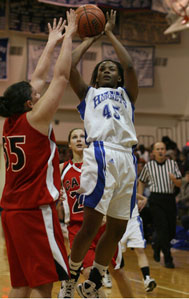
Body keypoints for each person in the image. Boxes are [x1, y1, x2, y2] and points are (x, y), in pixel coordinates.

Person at [0, 11, 77, 298]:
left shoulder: (11, 121)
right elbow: (60, 76)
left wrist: (50, 42)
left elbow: (39, 76)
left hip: (11, 212)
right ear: (30, 103)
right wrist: (68, 37)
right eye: (34, 94)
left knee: (20, 284)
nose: (38, 92)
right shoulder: (37, 119)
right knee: (44, 283)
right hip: (34, 213)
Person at [67, 9, 139, 298]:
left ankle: (94, 279)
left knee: (118, 228)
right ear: (96, 79)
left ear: (119, 78)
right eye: (102, 69)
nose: (108, 69)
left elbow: (131, 67)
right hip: (100, 152)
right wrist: (90, 38)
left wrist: (110, 33)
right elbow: (70, 68)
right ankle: (71, 278)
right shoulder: (89, 94)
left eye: (112, 68)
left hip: (127, 158)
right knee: (91, 224)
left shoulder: (127, 95)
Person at [57, 128, 134, 298]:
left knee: (119, 273)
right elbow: (49, 189)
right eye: (74, 137)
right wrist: (57, 195)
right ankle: (70, 281)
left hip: (104, 226)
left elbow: (117, 189)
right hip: (78, 227)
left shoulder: (102, 166)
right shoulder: (62, 168)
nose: (79, 139)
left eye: (82, 136)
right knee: (90, 274)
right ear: (69, 144)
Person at [138, 142, 182, 269]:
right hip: (155, 199)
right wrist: (141, 198)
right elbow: (141, 181)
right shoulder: (149, 166)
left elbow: (179, 184)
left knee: (171, 231)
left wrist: (174, 180)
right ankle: (168, 258)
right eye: (158, 149)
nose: (161, 151)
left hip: (169, 199)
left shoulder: (172, 164)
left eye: (162, 149)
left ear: (165, 150)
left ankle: (156, 246)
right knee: (162, 228)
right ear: (153, 152)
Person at [120, 193, 156, 292]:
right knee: (116, 254)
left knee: (140, 250)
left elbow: (132, 191)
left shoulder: (132, 179)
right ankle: (106, 273)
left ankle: (147, 279)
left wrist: (143, 198)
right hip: (119, 220)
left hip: (134, 220)